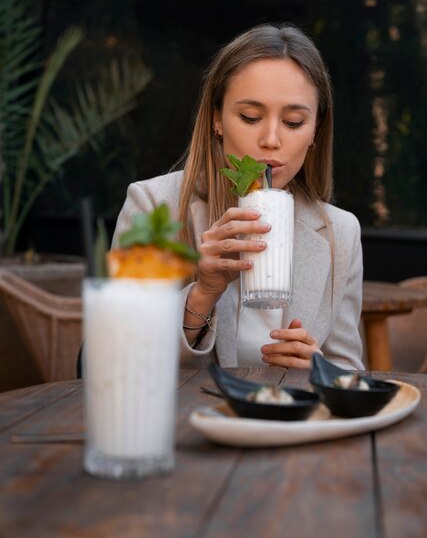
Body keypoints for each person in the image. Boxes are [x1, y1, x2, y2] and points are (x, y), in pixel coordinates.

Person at [113, 23, 364, 370]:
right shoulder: (154, 207)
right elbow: (115, 356)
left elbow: (348, 372)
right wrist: (202, 295)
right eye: (250, 117)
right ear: (217, 119)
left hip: (287, 421)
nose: (271, 139)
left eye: (293, 122)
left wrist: (318, 370)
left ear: (315, 131)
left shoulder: (341, 233)